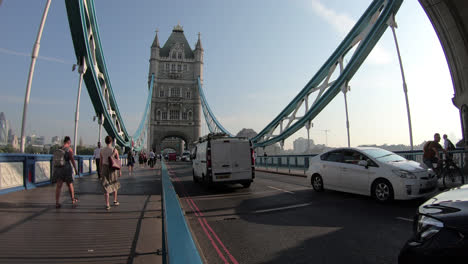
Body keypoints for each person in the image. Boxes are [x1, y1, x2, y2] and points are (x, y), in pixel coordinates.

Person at [53, 136, 79, 209]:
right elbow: (72, 160)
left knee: (59, 186)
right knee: (70, 184)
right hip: (66, 168)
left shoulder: (59, 148)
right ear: (69, 142)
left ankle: (57, 202)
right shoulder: (69, 149)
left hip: (58, 168)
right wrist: (75, 169)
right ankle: (73, 199)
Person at [100, 136, 121, 210]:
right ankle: (115, 200)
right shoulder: (114, 150)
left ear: (105, 142)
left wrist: (100, 170)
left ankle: (107, 204)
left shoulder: (102, 150)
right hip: (112, 168)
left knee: (106, 186)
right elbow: (118, 161)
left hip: (104, 168)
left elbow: (101, 162)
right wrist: (120, 171)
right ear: (111, 141)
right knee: (114, 183)